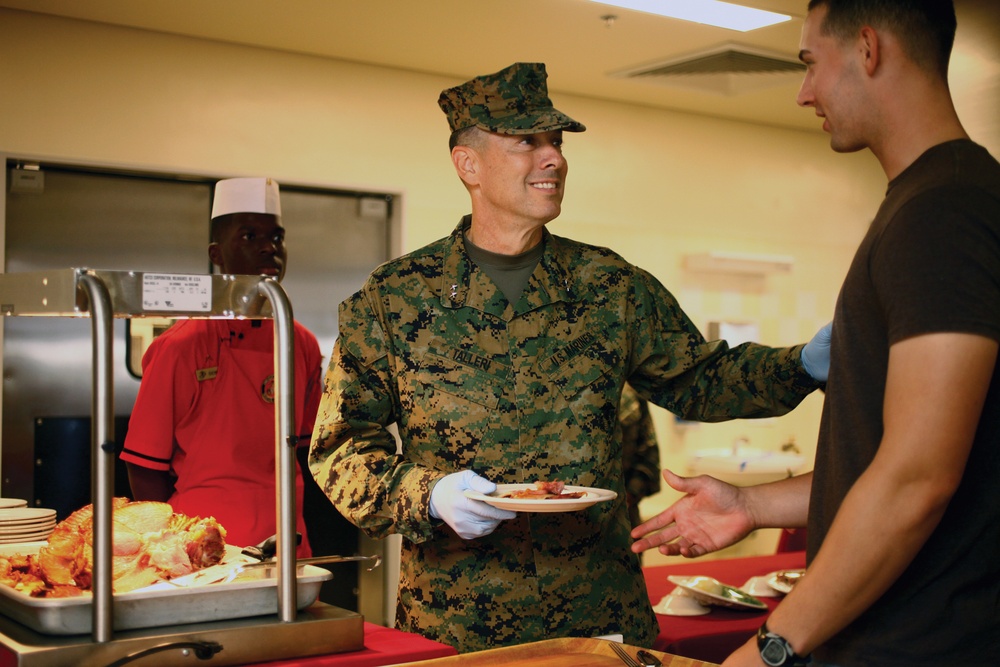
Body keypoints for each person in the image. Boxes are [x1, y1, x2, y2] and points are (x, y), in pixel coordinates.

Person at [308, 62, 830, 653]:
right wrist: (427, 494)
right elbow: (342, 451)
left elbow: (701, 380)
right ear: (468, 164)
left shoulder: (609, 284)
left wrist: (805, 363)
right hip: (460, 620)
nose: (553, 158)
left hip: (599, 609)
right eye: (527, 142)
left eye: (555, 141)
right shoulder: (394, 299)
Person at [631, 2, 1000, 666]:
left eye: (809, 64)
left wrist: (773, 645)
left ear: (868, 49)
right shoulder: (925, 204)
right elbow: (890, 458)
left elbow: (917, 476)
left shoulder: (943, 213)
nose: (803, 92)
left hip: (923, 643)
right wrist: (750, 501)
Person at [122, 177, 323, 558]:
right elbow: (144, 466)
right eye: (249, 236)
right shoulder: (180, 346)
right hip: (200, 551)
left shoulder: (302, 343)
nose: (269, 248)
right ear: (216, 254)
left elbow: (306, 447)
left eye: (276, 238)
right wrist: (171, 545)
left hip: (286, 546)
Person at [619, 383, 661, 529]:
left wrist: (631, 494)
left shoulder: (629, 393)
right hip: (556, 514)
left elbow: (649, 452)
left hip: (621, 517)